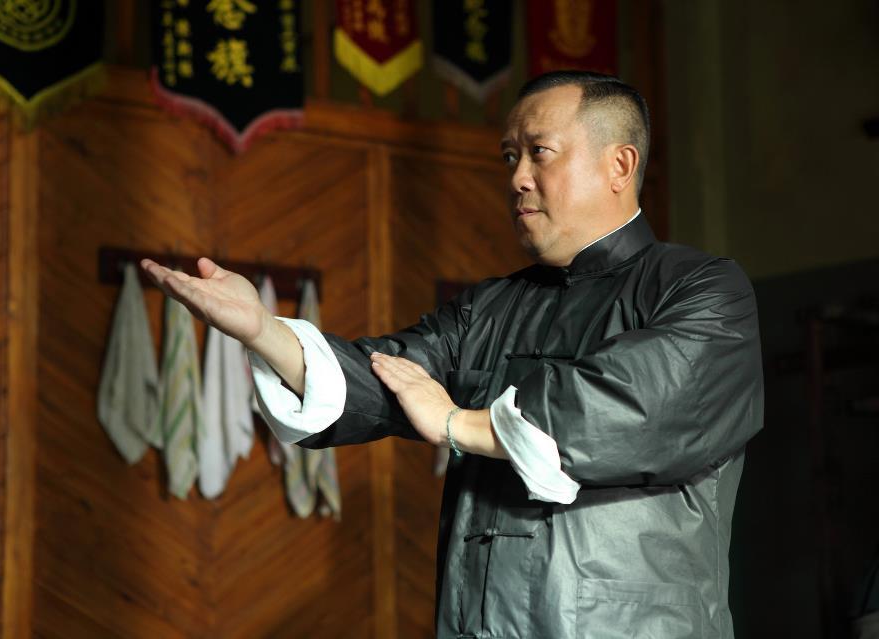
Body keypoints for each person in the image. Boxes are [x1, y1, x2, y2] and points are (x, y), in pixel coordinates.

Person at [142, 71, 763, 639]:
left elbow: (631, 408)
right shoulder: (489, 307)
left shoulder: (702, 290)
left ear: (619, 165)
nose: (517, 177)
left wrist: (454, 423)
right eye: (509, 156)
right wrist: (262, 331)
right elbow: (386, 377)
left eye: (538, 152)